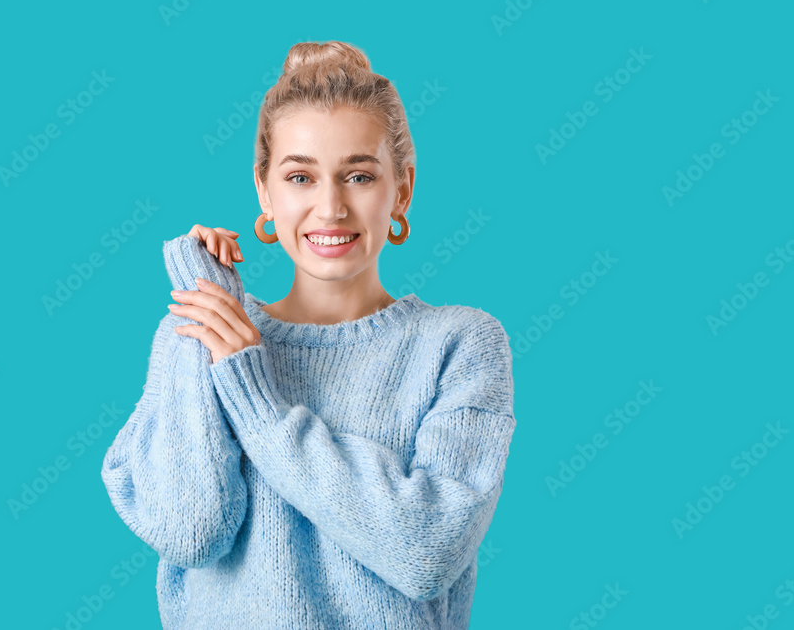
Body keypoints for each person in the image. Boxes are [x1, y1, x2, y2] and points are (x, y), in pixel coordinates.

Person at [101, 40, 516, 629]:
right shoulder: (199, 335)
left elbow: (426, 553)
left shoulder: (459, 345)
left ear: (402, 190)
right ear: (265, 192)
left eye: (358, 176)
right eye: (300, 176)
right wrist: (206, 298)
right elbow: (190, 530)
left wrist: (257, 401)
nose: (330, 207)